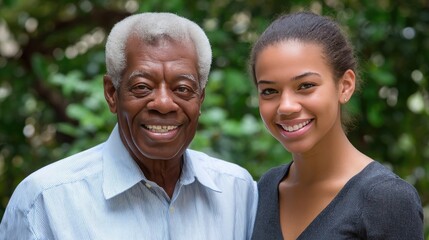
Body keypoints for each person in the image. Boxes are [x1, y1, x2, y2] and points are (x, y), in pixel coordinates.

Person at [0, 12, 257, 240]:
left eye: (182, 89)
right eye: (142, 87)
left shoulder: (237, 191)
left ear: (200, 99)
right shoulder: (46, 201)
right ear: (112, 93)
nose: (164, 103)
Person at [249, 11, 423, 240]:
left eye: (305, 85)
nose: (286, 106)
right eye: (270, 91)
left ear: (345, 86)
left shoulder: (386, 198)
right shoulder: (265, 188)